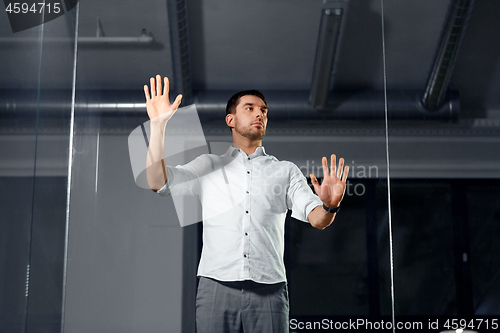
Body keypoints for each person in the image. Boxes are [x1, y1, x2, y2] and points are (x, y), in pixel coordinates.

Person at [143, 75, 349, 333]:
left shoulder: (285, 171)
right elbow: (157, 181)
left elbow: (318, 220)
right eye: (249, 108)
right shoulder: (208, 165)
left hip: (271, 289)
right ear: (231, 120)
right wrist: (158, 126)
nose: (259, 114)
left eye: (263, 110)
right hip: (215, 285)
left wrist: (330, 205)